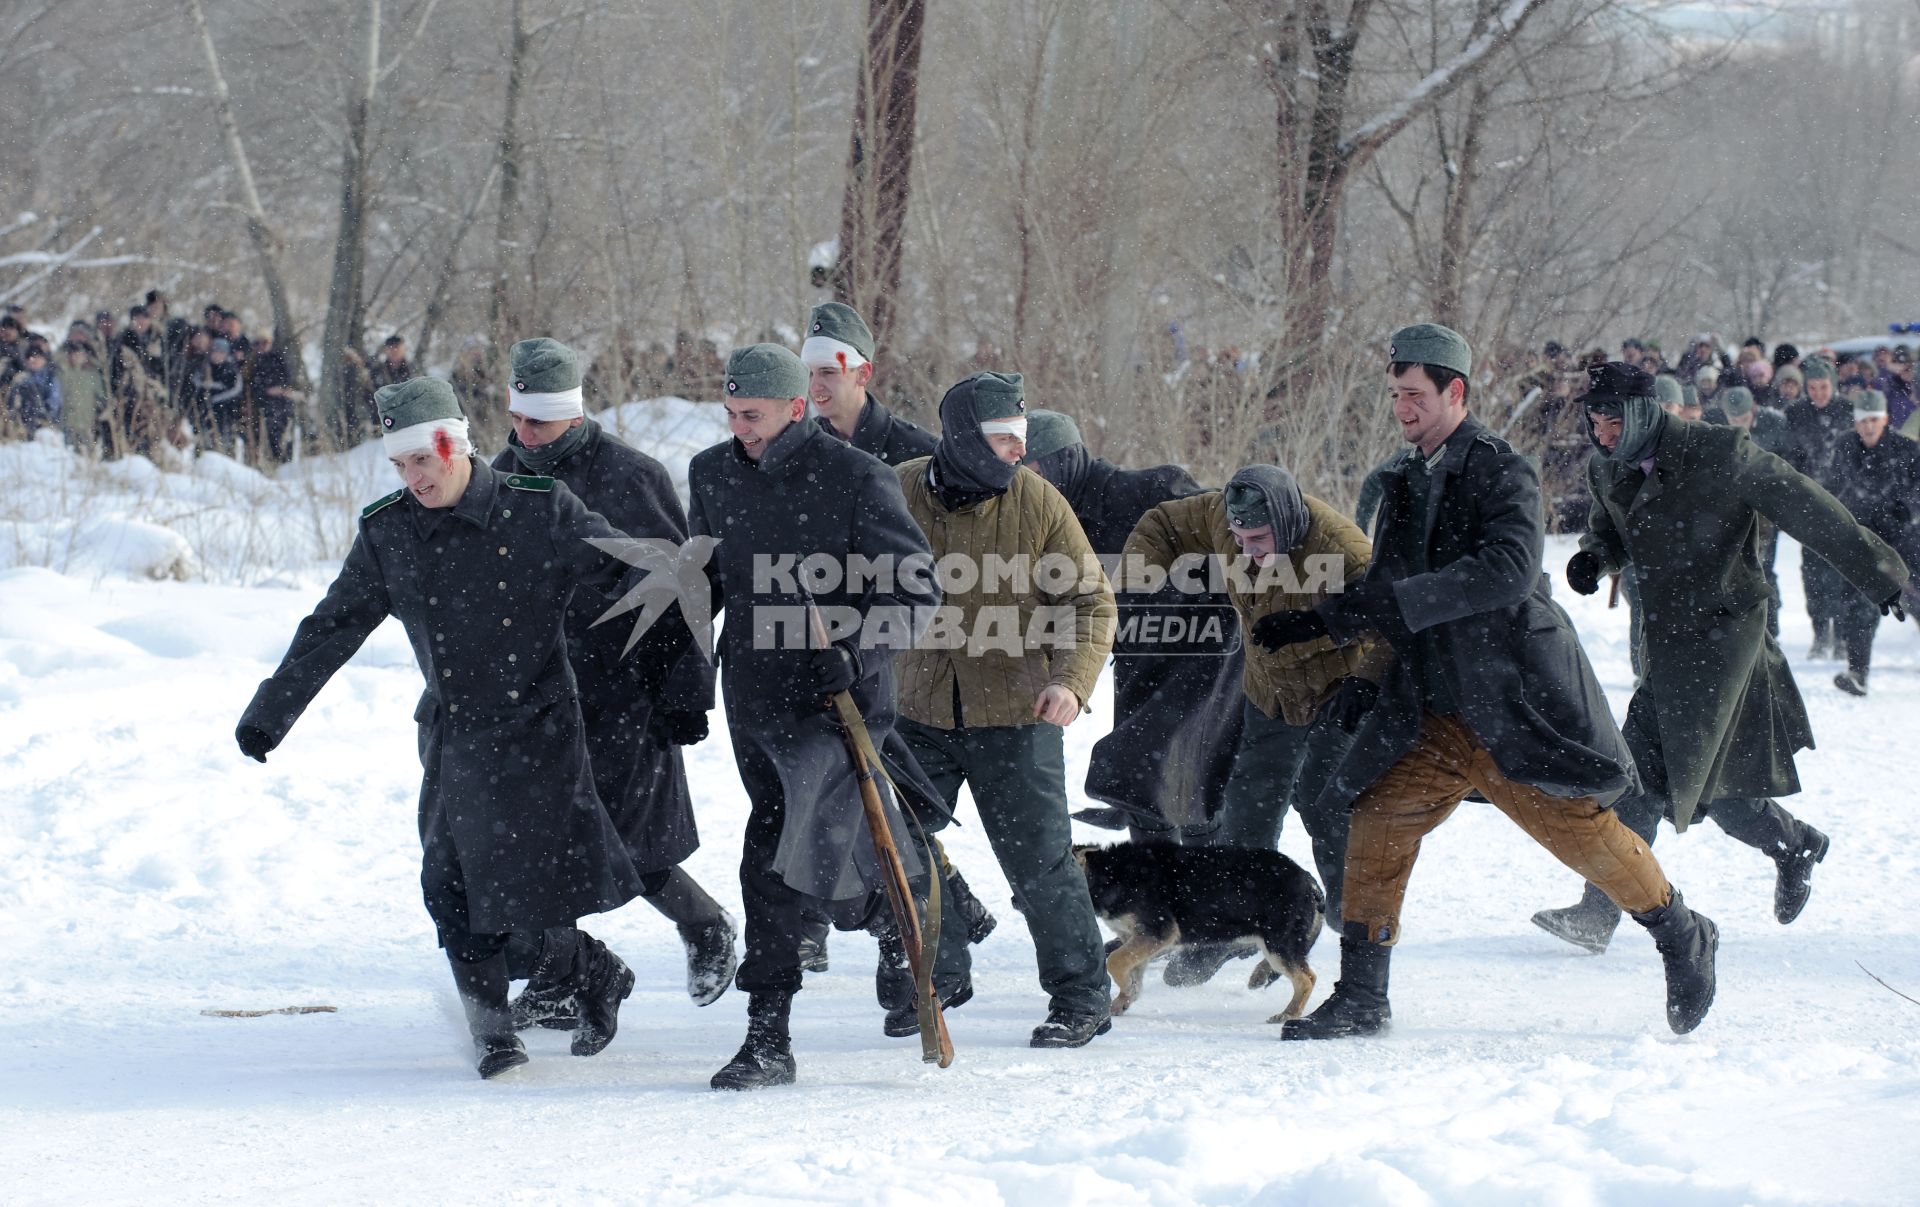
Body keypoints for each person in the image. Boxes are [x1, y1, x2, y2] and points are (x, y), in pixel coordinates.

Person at [1253, 324, 1718, 1041]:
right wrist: (1324, 627)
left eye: (1414, 395)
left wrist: (1396, 604)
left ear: (1455, 392)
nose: (1401, 408)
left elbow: (1506, 572)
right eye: (1395, 395)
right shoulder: (1404, 480)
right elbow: (1384, 584)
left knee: (1581, 836)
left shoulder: (1505, 470)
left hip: (1512, 705)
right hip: (1431, 710)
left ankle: (1680, 932)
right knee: (1374, 819)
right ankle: (1363, 995)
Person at [235, 377, 655, 1079]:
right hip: (456, 731)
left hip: (541, 730)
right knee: (452, 881)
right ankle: (495, 1033)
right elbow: (333, 625)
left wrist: (667, 677)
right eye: (400, 466)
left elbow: (633, 577)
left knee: (526, 887)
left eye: (422, 462)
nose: (413, 479)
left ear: (453, 445)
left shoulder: (538, 509)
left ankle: (588, 969)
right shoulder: (389, 531)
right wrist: (271, 710)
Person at [1532, 364, 1906, 953]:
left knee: (1642, 771)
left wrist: (1880, 574)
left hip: (1725, 638)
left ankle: (1600, 910)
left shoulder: (1721, 452)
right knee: (1714, 787)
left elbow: (1807, 507)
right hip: (1667, 637)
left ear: (1644, 412)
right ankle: (1794, 844)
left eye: (1612, 421)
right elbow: (1609, 531)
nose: (1601, 434)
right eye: (1593, 422)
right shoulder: (1609, 464)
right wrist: (1594, 557)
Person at [689, 344, 948, 1090]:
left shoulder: (855, 476)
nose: (740, 428)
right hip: (755, 698)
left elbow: (916, 590)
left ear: (796, 407)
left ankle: (768, 1035)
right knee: (815, 847)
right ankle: (885, 915)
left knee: (773, 850)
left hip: (837, 702)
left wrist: (859, 648)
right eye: (731, 414)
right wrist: (678, 678)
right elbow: (704, 583)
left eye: (754, 415)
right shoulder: (712, 474)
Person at [487, 337, 739, 1021]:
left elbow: (685, 586)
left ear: (571, 414)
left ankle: (705, 923)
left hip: (626, 686)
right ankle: (560, 971)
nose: (523, 433)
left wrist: (687, 691)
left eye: (537, 421)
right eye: (517, 418)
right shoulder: (503, 472)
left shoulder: (633, 476)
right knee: (539, 835)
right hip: (541, 692)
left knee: (627, 840)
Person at [893, 372, 1118, 1049]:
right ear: (963, 439)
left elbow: (1092, 602)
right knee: (895, 842)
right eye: (1003, 440)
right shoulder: (896, 489)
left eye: (1022, 440)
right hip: (915, 709)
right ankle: (940, 971)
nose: (1019, 452)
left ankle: (1082, 996)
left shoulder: (1039, 502)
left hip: (1018, 711)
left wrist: (1072, 684)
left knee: (1041, 864)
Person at [793, 301, 994, 977]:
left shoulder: (913, 452)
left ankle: (927, 942)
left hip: (901, 649)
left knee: (879, 793)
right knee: (846, 786)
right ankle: (926, 912)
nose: (817, 384)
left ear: (863, 372)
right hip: (822, 650)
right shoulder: (795, 448)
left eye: (830, 370)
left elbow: (947, 560)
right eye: (808, 370)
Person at [1121, 458, 1374, 936]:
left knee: (1325, 804)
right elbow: (1162, 523)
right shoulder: (1222, 515)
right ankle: (1232, 926)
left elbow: (1388, 621)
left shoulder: (1344, 551)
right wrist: (1141, 584)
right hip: (1268, 694)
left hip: (1337, 693)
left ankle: (1354, 915)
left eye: (1258, 541)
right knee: (1248, 809)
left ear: (1287, 521)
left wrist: (1365, 682)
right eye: (1239, 541)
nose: (1247, 550)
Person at [1826, 389, 1920, 696]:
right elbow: (1833, 487)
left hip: (1903, 537)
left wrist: (1904, 511)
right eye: (1863, 421)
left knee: (1916, 598)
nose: (1868, 426)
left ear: (1886, 420)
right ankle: (1857, 673)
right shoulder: (1844, 446)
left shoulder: (1906, 449)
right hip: (1862, 537)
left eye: (1874, 420)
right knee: (1859, 605)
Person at [1783, 358, 1857, 659]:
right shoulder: (1796, 414)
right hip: (1809, 503)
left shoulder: (1848, 412)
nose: (1818, 393)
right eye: (1812, 388)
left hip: (1844, 502)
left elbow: (1856, 458)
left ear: (1833, 386)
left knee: (1841, 571)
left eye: (1824, 387)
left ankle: (1841, 635)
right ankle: (1819, 631)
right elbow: (1792, 457)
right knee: (1813, 573)